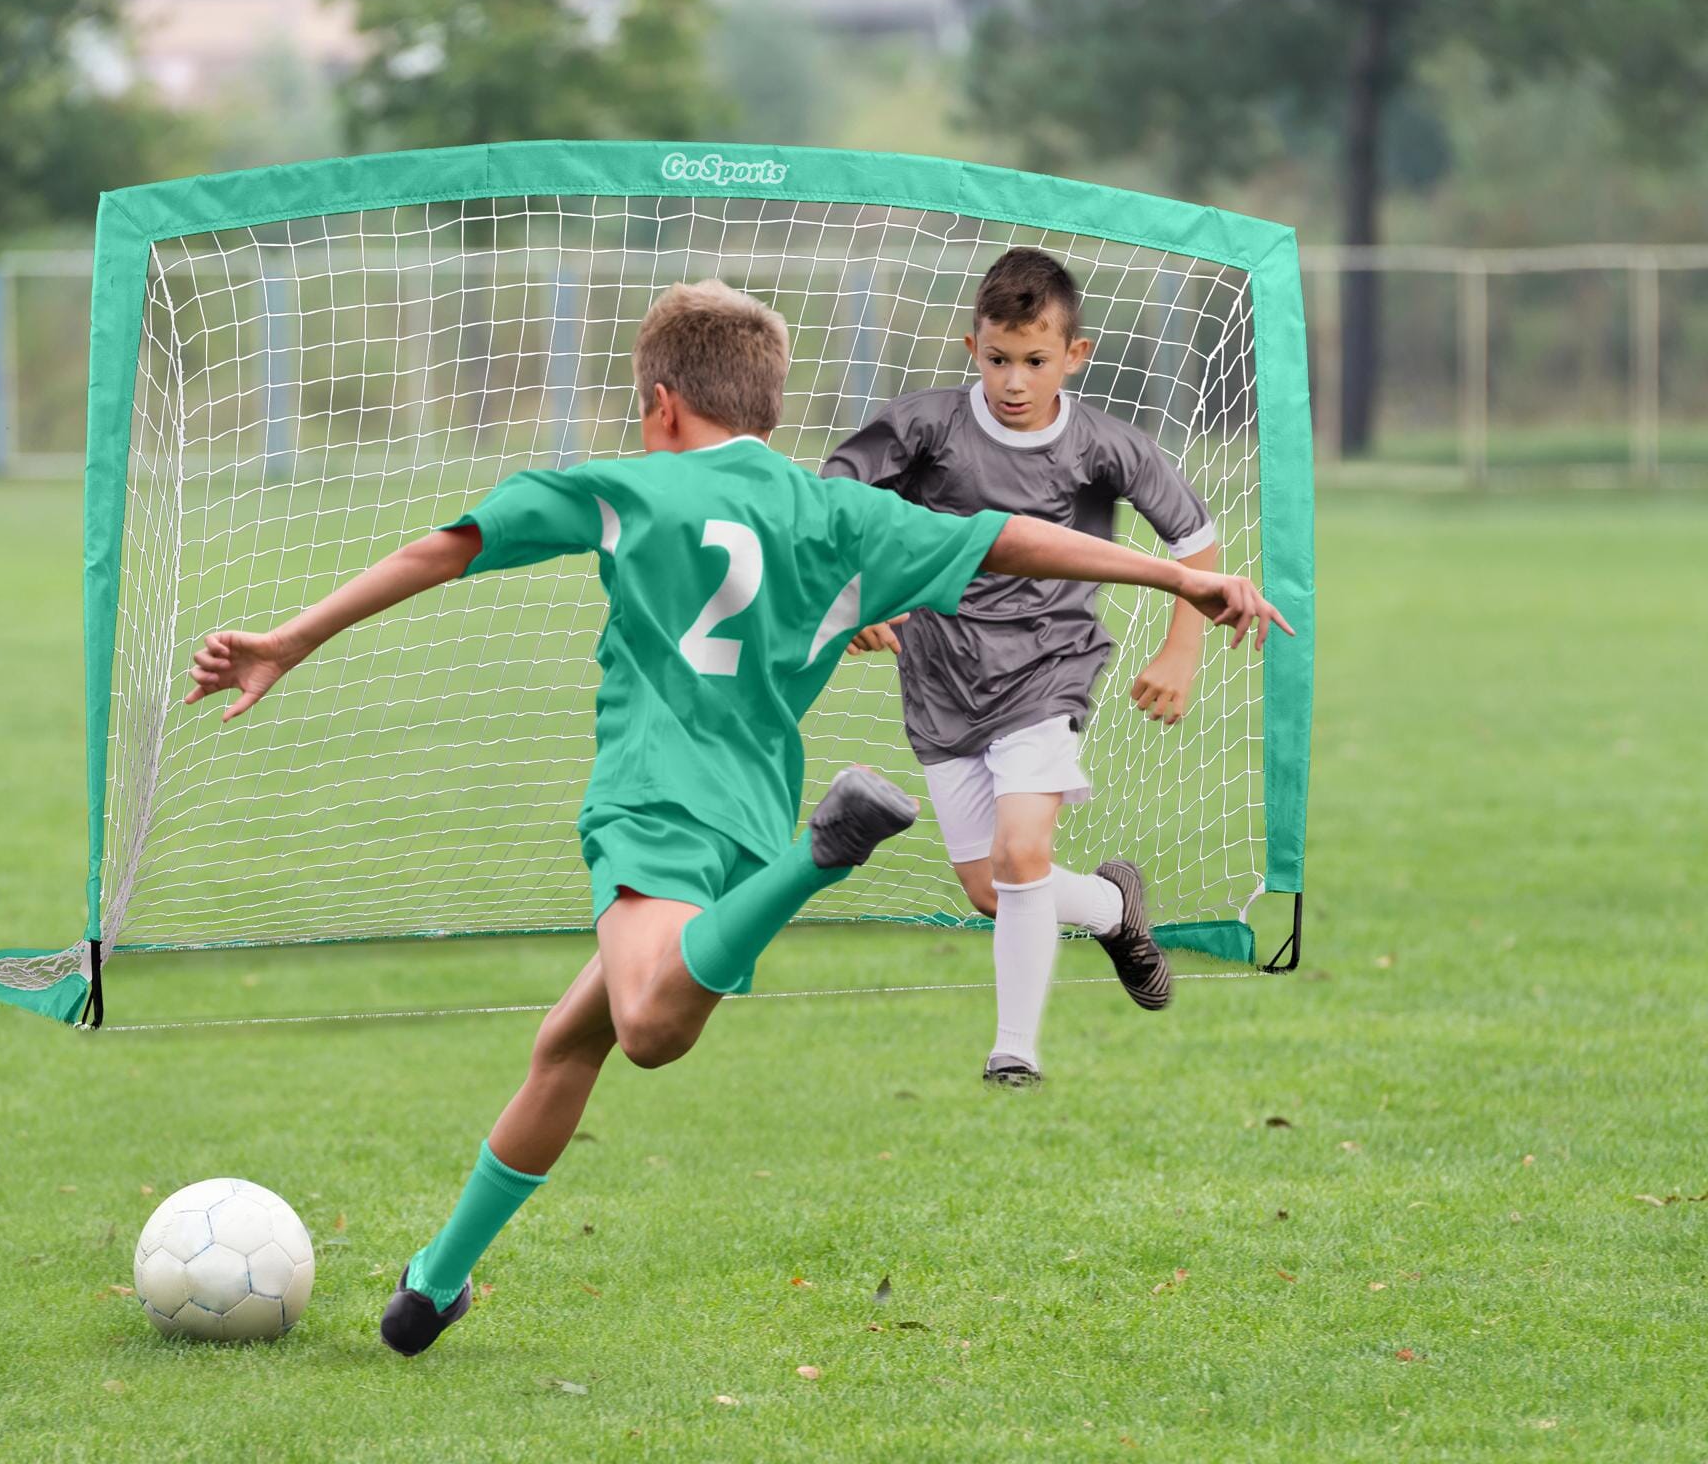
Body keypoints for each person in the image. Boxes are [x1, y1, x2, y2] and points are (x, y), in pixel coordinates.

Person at [185, 279, 1289, 1353]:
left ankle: (826, 850)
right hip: (741, 822)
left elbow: (446, 547)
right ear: (766, 401)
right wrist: (1169, 577)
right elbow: (1008, 536)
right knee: (564, 1043)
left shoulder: (622, 486)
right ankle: (434, 1280)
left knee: (648, 1028)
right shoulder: (837, 509)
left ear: (660, 401)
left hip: (654, 802)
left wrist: (293, 636)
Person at [825, 246, 1227, 1086]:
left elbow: (1195, 544)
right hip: (938, 680)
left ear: (1073, 356)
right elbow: (832, 501)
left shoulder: (1106, 447)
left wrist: (1181, 648)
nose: (1014, 381)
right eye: (999, 359)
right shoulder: (924, 427)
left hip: (1049, 670)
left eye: (1035, 361)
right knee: (994, 887)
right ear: (972, 347)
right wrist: (857, 593)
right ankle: (1117, 909)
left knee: (1020, 853)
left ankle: (1015, 1054)